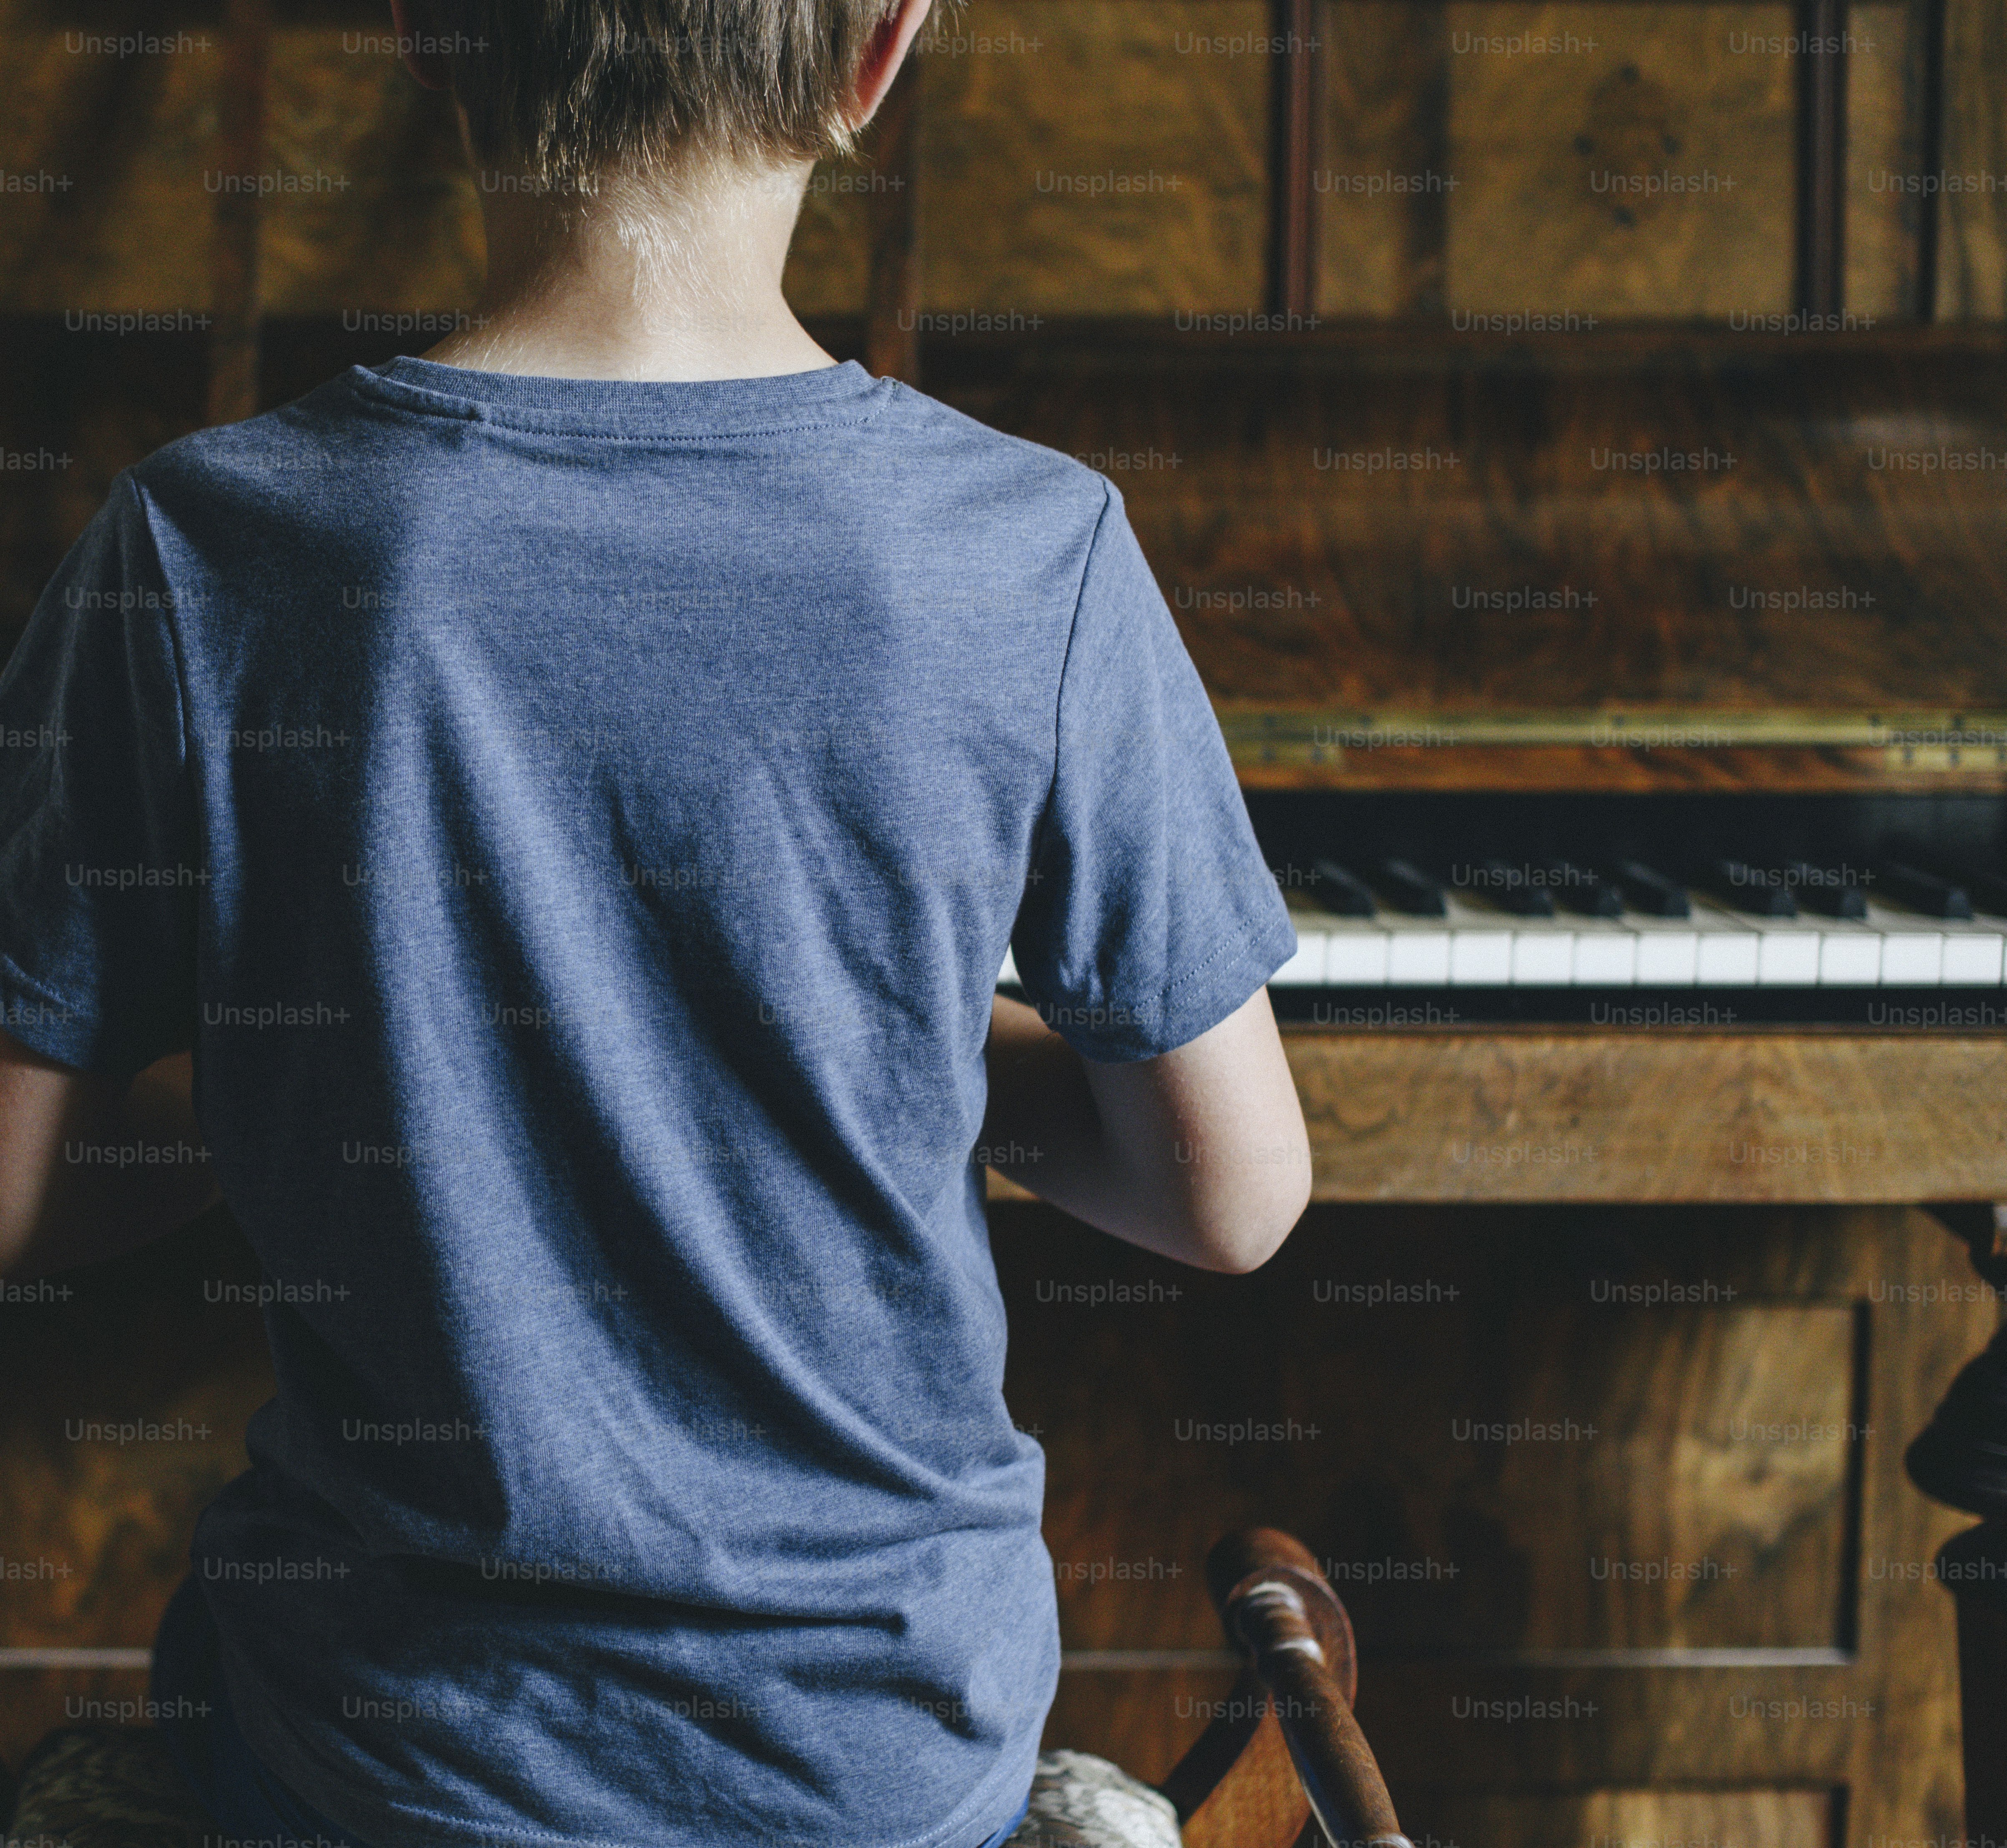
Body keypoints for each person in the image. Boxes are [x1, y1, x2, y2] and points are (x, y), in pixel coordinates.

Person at [0, 0, 1313, 1842]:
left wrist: (342, 1056)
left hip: (391, 1766)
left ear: (425, 38)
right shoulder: (1035, 545)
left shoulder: (201, 543)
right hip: (878, 1765)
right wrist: (882, 1044)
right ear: (879, 50)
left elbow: (12, 1181)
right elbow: (1231, 1194)